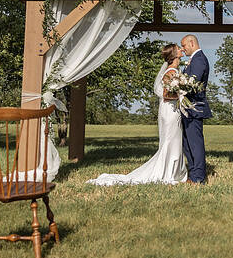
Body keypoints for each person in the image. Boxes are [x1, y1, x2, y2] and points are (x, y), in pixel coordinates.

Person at [87, 44, 187, 185]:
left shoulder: (176, 70)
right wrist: (182, 94)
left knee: (174, 140)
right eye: (179, 48)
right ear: (174, 54)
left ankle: (174, 171)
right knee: (170, 140)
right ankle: (167, 172)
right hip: (169, 110)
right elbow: (165, 95)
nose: (182, 49)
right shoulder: (170, 72)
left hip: (173, 110)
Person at [179, 34, 212, 184]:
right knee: (187, 143)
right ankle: (193, 175)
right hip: (188, 107)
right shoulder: (194, 59)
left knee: (195, 143)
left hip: (195, 107)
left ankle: (198, 177)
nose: (182, 49)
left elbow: (193, 83)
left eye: (184, 46)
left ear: (191, 43)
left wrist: (177, 86)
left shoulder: (199, 59)